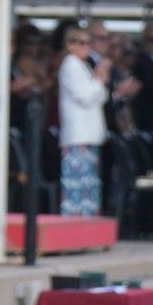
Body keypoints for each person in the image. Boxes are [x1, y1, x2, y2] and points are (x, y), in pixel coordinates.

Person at [57, 27, 111, 216]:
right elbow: (84, 96)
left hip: (89, 134)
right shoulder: (70, 65)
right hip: (78, 135)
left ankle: (87, 223)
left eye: (89, 43)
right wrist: (98, 80)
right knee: (77, 185)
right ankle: (74, 223)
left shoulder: (83, 65)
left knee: (89, 184)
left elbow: (102, 96)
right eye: (81, 43)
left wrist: (98, 82)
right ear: (69, 45)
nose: (86, 47)